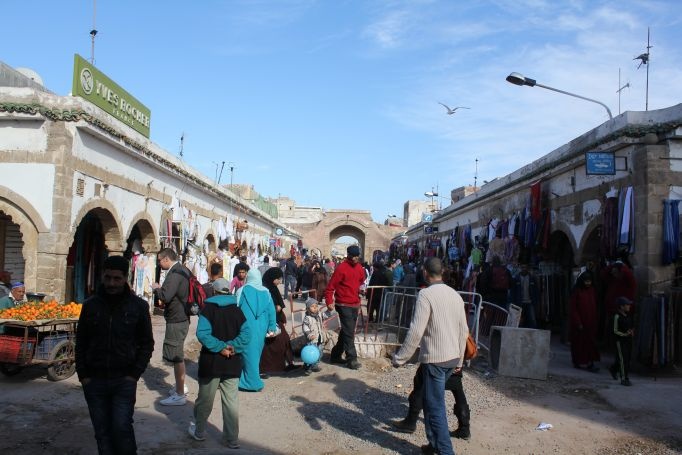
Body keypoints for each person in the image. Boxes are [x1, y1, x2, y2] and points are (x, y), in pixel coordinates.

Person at [75, 255, 154, 455]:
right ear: (102, 276)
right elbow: (81, 341)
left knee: (121, 429)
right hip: (94, 380)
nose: (111, 283)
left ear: (125, 278)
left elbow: (147, 343)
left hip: (123, 380)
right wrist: (83, 375)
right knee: (102, 433)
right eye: (108, 278)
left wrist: (134, 374)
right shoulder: (90, 305)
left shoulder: (138, 306)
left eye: (117, 278)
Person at [392, 257, 469, 455]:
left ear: (425, 272)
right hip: (451, 358)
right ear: (441, 272)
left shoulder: (426, 295)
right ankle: (433, 444)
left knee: (435, 409)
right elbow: (464, 331)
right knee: (428, 400)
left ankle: (445, 451)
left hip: (436, 359)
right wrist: (460, 360)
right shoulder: (455, 295)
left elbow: (416, 331)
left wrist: (400, 358)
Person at [189, 284, 251, 449]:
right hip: (232, 362)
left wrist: (220, 348)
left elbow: (202, 334)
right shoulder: (237, 311)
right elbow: (246, 334)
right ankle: (232, 439)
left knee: (205, 400)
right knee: (231, 402)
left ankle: (199, 432)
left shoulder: (207, 309)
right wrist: (231, 347)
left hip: (211, 363)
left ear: (214, 292)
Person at [391, 365, 471, 441]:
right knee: (457, 389)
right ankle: (464, 428)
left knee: (420, 384)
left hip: (437, 361)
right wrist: (459, 363)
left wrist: (399, 359)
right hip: (454, 360)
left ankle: (410, 422)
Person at [153, 248, 191, 406]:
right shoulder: (183, 270)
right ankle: (181, 385)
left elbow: (166, 296)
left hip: (177, 318)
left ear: (166, 259)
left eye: (160, 261)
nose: (159, 264)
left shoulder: (175, 273)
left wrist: (156, 288)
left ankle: (180, 394)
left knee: (177, 356)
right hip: (182, 317)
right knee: (177, 353)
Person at [235, 269, 278, 391]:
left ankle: (252, 383)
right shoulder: (266, 292)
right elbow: (271, 311)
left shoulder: (242, 290)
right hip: (261, 327)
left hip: (245, 326)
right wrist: (271, 327)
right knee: (255, 353)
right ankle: (247, 378)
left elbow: (236, 307)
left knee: (247, 353)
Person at [325, 245, 366, 370]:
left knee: (347, 331)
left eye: (356, 256)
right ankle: (352, 359)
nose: (354, 259)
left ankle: (335, 355)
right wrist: (329, 301)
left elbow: (361, 282)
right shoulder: (341, 268)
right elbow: (330, 287)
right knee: (349, 332)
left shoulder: (359, 268)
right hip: (343, 304)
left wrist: (361, 290)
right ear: (348, 255)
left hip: (355, 303)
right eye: (352, 256)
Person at [259, 267, 296, 374]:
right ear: (272, 278)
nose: (280, 282)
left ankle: (289, 363)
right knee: (274, 344)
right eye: (278, 279)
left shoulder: (273, 288)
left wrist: (280, 311)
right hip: (269, 320)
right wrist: (275, 308)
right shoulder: (265, 289)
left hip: (277, 319)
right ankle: (270, 368)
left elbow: (279, 303)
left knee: (284, 340)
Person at [569, 271, 600, 372]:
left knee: (590, 344)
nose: (588, 283)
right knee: (579, 344)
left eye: (589, 281)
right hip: (580, 323)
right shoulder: (577, 291)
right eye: (586, 281)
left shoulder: (592, 290)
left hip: (590, 322)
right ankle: (578, 362)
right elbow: (573, 308)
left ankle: (590, 363)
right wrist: (578, 322)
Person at [609, 297, 634, 386]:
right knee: (623, 360)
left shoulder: (627, 316)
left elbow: (630, 327)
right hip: (620, 341)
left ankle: (613, 369)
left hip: (628, 341)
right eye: (627, 305)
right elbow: (615, 330)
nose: (629, 306)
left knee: (625, 359)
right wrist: (625, 334)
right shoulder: (617, 316)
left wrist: (631, 332)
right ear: (621, 306)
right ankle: (624, 378)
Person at [302, 297, 326, 376]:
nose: (315, 308)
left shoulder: (319, 314)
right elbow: (305, 327)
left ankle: (315, 365)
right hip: (312, 340)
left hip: (319, 338)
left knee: (319, 352)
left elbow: (325, 315)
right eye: (313, 307)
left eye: (316, 306)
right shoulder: (307, 318)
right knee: (310, 354)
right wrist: (310, 334)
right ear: (308, 308)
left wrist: (329, 310)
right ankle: (308, 367)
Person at [512, 264, 538, 328]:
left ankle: (534, 333)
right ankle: (519, 332)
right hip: (520, 302)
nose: (524, 269)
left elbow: (536, 290)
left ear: (528, 268)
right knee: (519, 319)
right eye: (523, 267)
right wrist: (514, 301)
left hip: (530, 302)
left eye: (525, 267)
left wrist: (536, 300)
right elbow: (513, 291)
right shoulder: (517, 278)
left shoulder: (532, 278)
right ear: (520, 268)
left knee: (532, 319)